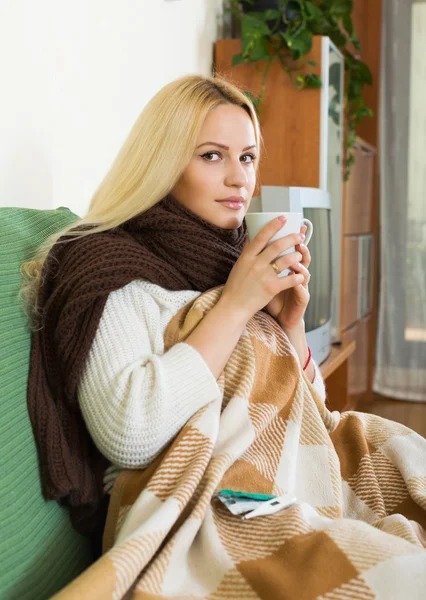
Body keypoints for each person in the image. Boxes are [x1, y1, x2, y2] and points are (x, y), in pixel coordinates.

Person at [21, 74, 325, 555]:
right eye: (211, 155)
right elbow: (130, 433)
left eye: (247, 157)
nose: (239, 178)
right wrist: (236, 305)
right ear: (162, 163)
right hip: (200, 518)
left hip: (283, 486)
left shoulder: (231, 259)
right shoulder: (107, 267)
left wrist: (290, 325)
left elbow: (310, 416)